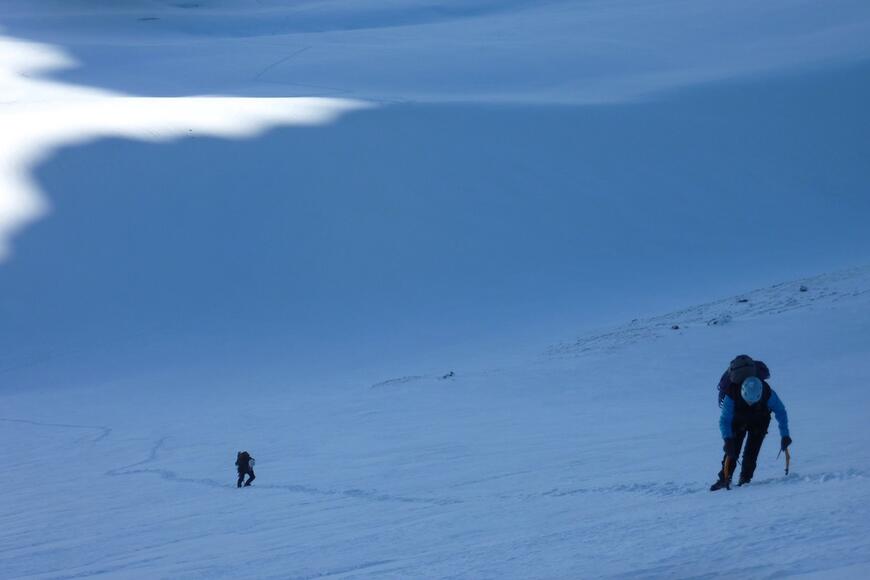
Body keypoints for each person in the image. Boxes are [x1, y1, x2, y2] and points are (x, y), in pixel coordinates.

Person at [710, 374, 791, 491]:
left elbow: (781, 412)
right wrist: (727, 439)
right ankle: (724, 478)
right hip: (738, 421)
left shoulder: (768, 394)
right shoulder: (732, 394)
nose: (750, 404)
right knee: (733, 449)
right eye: (748, 400)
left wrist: (785, 435)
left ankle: (745, 479)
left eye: (754, 401)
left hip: (760, 421)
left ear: (760, 394)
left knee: (752, 451)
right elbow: (724, 420)